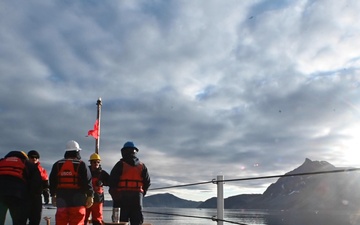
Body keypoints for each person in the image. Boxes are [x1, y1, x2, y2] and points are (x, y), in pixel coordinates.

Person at [49, 140, 94, 225]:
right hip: (78, 201)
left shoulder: (57, 164)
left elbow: (52, 181)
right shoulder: (81, 164)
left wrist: (53, 195)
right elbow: (88, 181)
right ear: (77, 151)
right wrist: (90, 196)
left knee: (61, 222)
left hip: (61, 201)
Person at [109, 141, 151, 225]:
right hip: (137, 199)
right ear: (135, 151)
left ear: (123, 151)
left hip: (122, 198)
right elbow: (147, 182)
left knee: (120, 222)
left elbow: (112, 182)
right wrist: (142, 193)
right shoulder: (142, 166)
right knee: (136, 221)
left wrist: (115, 197)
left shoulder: (120, 164)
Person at [0, 151, 42, 225]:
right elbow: (36, 184)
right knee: (19, 221)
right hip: (17, 195)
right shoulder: (27, 164)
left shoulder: (1, 161)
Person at [85, 153, 110, 225]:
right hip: (87, 199)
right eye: (94, 162)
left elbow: (111, 181)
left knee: (97, 219)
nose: (96, 163)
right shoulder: (86, 172)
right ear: (91, 162)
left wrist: (102, 183)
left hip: (98, 199)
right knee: (84, 218)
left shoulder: (102, 173)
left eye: (98, 162)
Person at [27, 150, 50, 225]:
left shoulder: (42, 170)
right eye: (32, 157)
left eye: (36, 157)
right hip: (24, 197)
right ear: (28, 158)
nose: (34, 159)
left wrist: (46, 193)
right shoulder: (23, 168)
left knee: (36, 219)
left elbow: (45, 182)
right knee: (21, 219)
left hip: (36, 197)